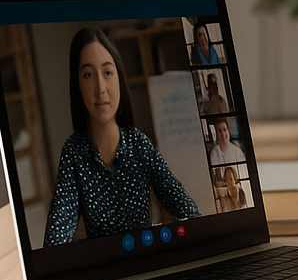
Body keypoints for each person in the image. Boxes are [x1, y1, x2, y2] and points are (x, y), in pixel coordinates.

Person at [44, 27, 200, 246]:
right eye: (88, 75)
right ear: (77, 85)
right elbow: (56, 238)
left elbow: (188, 210)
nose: (100, 88)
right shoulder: (74, 153)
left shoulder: (138, 143)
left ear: (119, 78)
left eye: (108, 72)